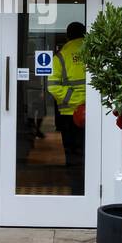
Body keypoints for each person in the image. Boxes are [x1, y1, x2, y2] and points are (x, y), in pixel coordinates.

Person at [46, 21, 87, 193]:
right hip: (93, 113)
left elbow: (53, 86)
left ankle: (76, 190)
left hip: (69, 114)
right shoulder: (96, 52)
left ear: (68, 36)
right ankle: (90, 188)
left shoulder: (60, 56)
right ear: (85, 34)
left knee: (72, 153)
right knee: (90, 153)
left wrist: (73, 99)